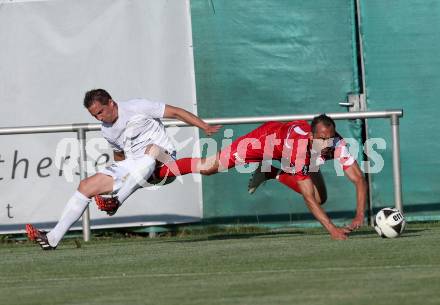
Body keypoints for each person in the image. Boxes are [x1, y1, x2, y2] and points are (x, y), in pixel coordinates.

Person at [26, 89, 222, 250]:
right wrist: (122, 176)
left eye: (101, 111)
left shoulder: (138, 107)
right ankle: (52, 237)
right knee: (85, 186)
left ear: (111, 102)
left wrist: (203, 126)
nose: (99, 117)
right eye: (94, 115)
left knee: (150, 150)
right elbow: (120, 157)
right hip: (139, 166)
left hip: (165, 161)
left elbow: (176, 112)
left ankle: (117, 200)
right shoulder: (106, 129)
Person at [149, 114, 367, 240]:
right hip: (263, 141)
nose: (327, 144)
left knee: (322, 198)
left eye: (330, 138)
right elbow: (307, 198)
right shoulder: (300, 149)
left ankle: (270, 171)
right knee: (209, 167)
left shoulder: (337, 144)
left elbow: (358, 179)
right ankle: (158, 170)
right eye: (322, 139)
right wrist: (332, 230)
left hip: (287, 150)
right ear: (312, 136)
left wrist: (359, 216)